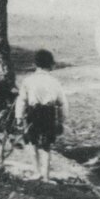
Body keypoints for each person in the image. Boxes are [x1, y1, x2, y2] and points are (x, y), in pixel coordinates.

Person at [14, 49, 68, 180]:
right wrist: (62, 120)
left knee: (31, 142)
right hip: (49, 113)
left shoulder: (28, 80)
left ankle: (36, 171)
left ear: (35, 64)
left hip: (33, 112)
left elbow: (22, 100)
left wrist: (19, 117)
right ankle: (46, 175)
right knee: (46, 144)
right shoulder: (54, 82)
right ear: (51, 65)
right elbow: (62, 102)